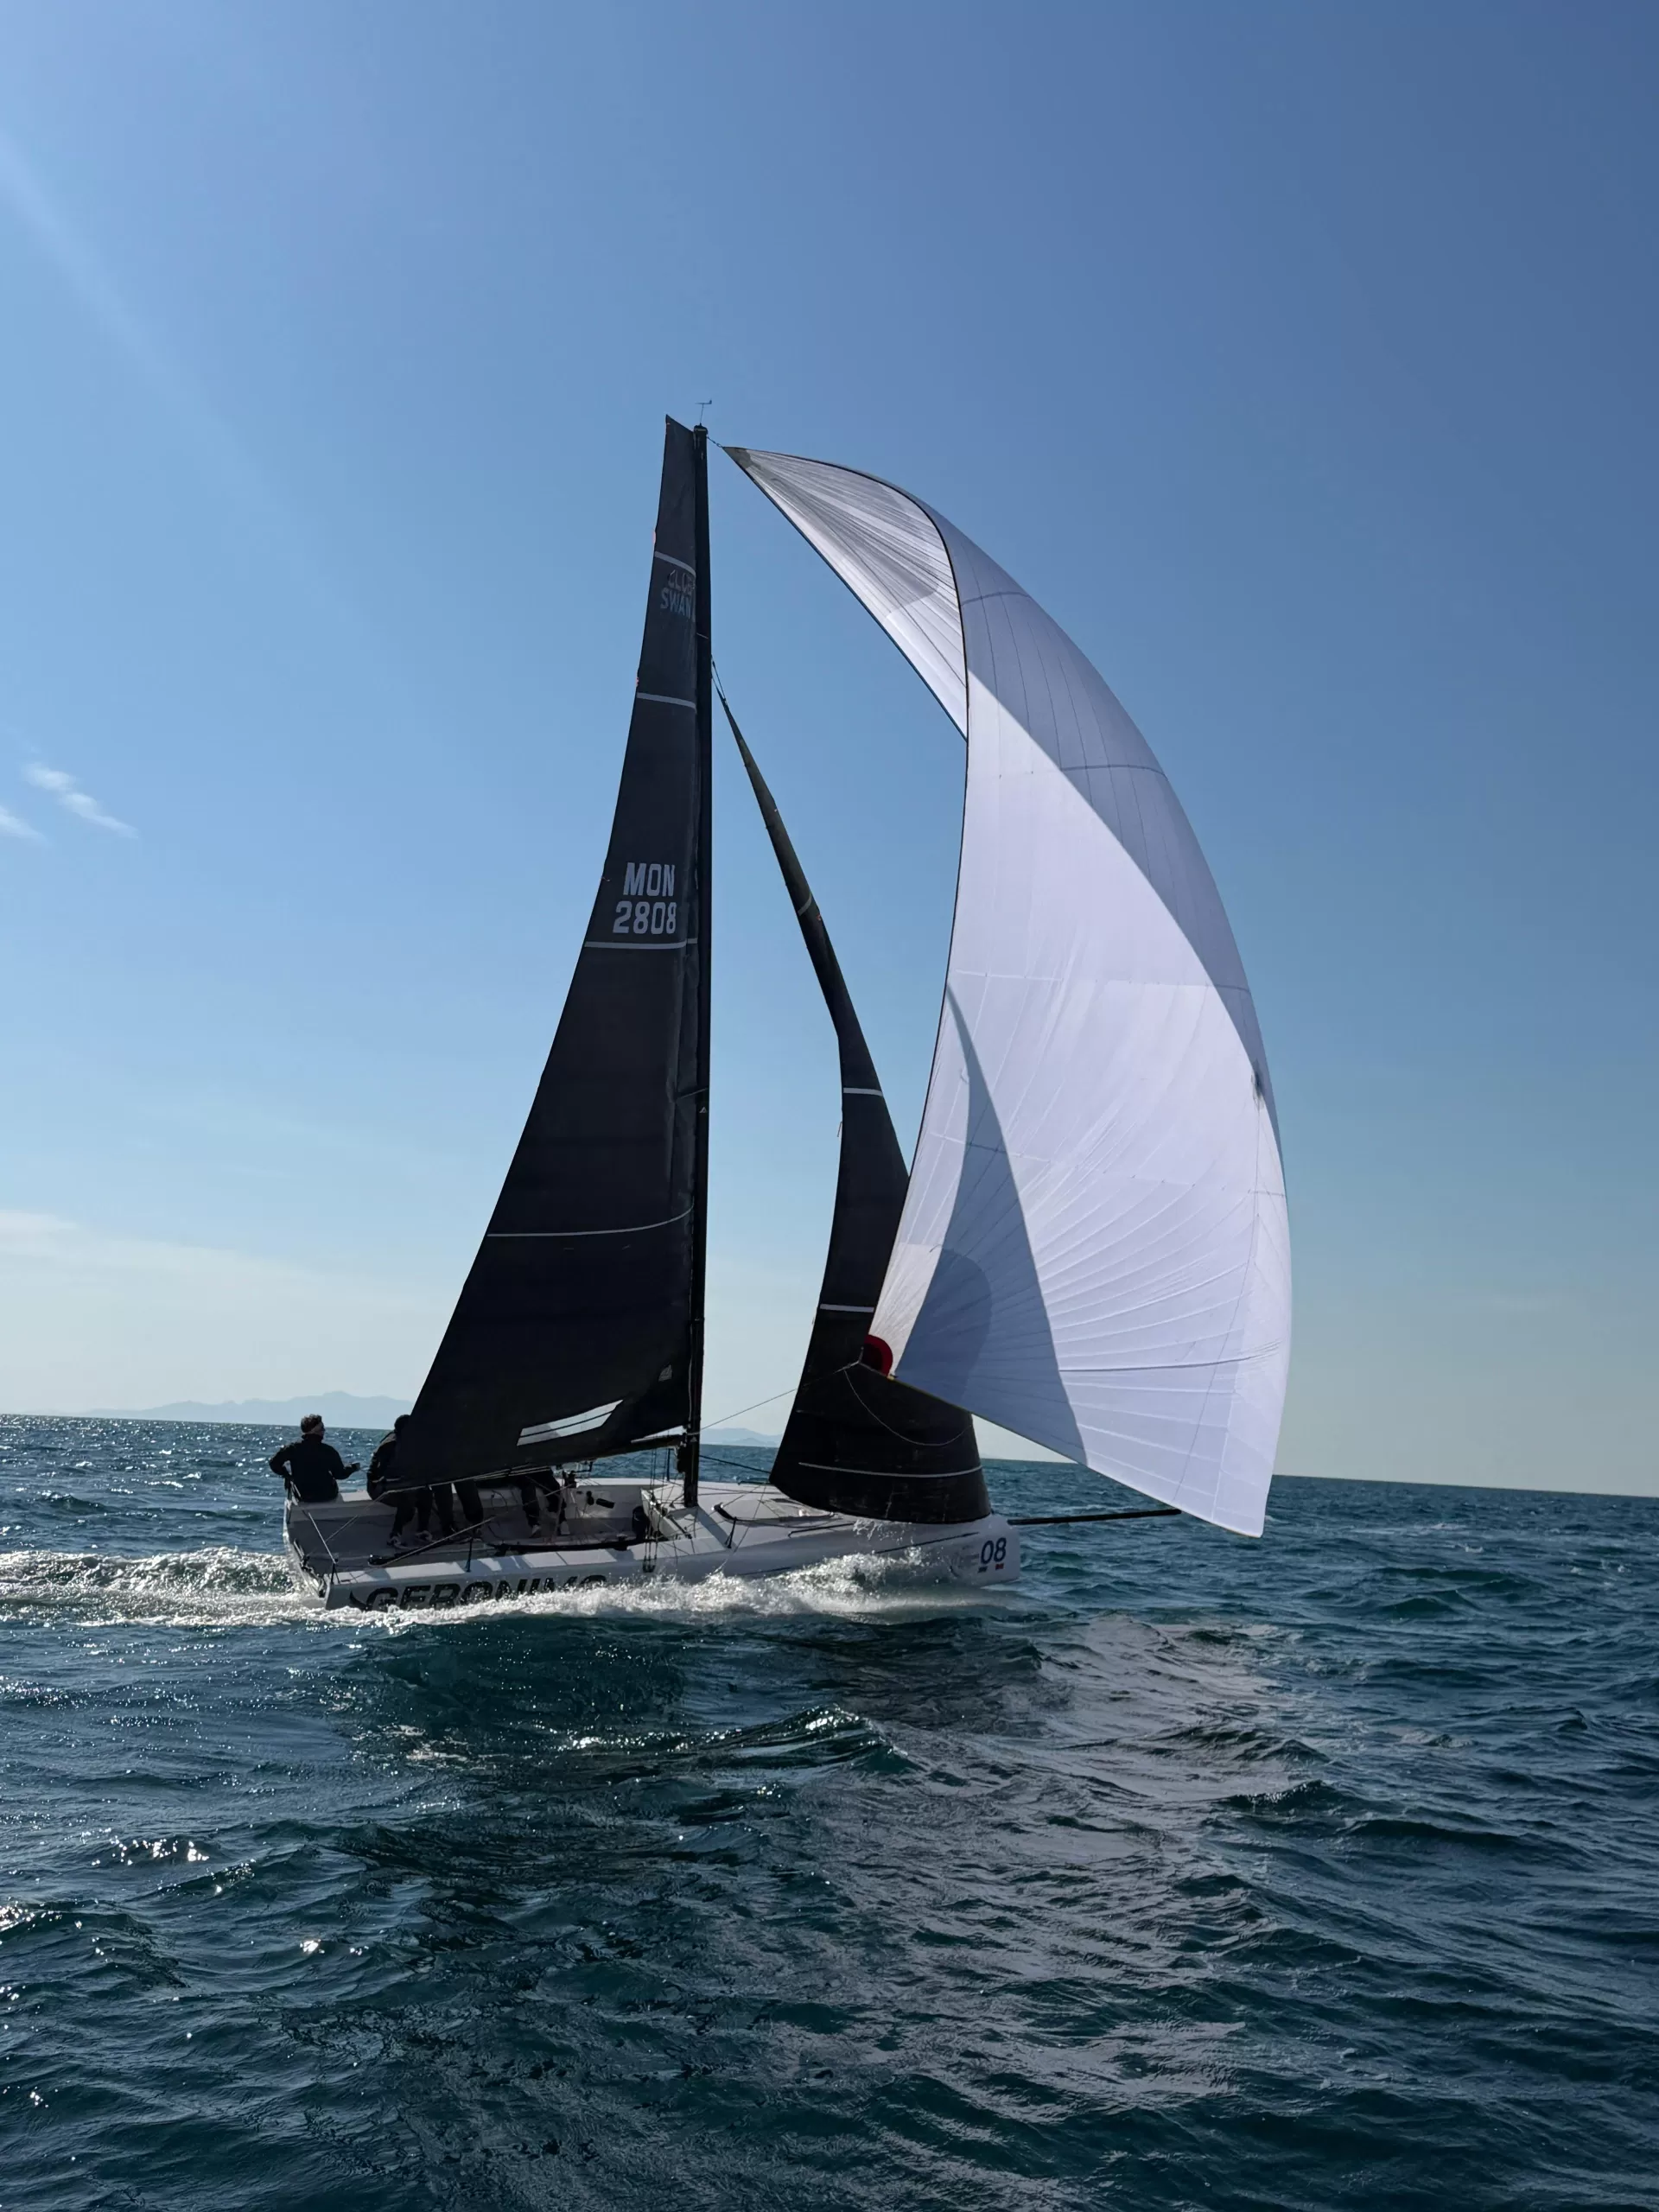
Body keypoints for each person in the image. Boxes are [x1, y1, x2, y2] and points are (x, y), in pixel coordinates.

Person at [270, 1415, 359, 1504]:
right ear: (314, 1430)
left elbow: (273, 1463)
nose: (324, 1430)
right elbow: (340, 1475)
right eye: (322, 1428)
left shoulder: (293, 1448)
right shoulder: (328, 1450)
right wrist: (353, 1468)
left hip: (304, 1496)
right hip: (327, 1495)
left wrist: (287, 1475)